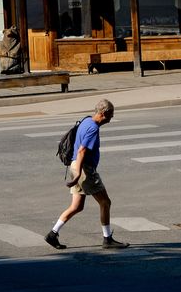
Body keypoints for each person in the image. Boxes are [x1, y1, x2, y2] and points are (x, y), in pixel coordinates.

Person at [44, 98, 129, 250]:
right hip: (84, 169)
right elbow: (82, 150)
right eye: (111, 114)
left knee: (76, 206)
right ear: (104, 113)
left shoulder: (86, 120)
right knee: (105, 202)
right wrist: (78, 174)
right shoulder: (93, 128)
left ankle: (53, 233)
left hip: (75, 165)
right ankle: (107, 239)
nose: (112, 117)